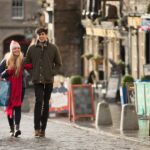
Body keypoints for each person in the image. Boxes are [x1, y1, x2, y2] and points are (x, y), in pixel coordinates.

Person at [25, 27, 62, 137]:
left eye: (43, 34)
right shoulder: (31, 49)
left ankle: (43, 129)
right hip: (37, 80)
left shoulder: (53, 48)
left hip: (48, 80)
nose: (41, 36)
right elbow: (27, 63)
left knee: (46, 104)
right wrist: (33, 73)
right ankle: (36, 128)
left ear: (46, 35)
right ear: (37, 36)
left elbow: (59, 64)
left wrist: (52, 72)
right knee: (38, 101)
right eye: (39, 34)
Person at [0, 40, 32, 137]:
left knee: (18, 107)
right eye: (15, 48)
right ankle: (11, 128)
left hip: (20, 87)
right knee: (10, 108)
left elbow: (31, 65)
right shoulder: (6, 60)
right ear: (11, 50)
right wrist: (6, 72)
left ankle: (17, 128)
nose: (17, 50)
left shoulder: (22, 60)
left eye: (18, 48)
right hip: (8, 88)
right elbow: (1, 73)